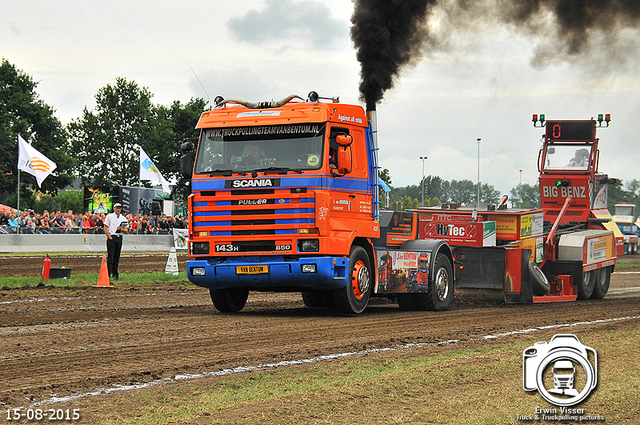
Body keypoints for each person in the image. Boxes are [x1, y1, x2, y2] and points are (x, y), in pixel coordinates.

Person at [104, 203, 128, 280]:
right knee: (110, 257)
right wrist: (109, 237)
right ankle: (108, 274)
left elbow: (126, 230)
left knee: (116, 257)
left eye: (120, 208)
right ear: (114, 208)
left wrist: (121, 229)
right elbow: (105, 228)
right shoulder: (109, 216)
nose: (118, 209)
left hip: (119, 237)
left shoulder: (123, 218)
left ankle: (115, 274)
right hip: (112, 236)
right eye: (117, 208)